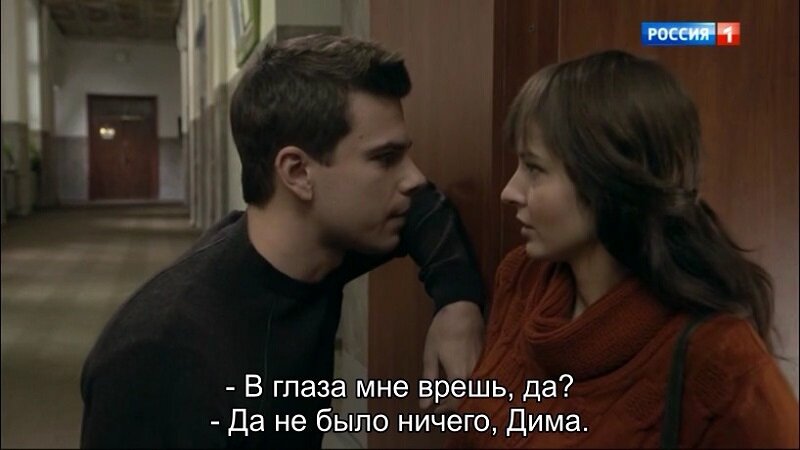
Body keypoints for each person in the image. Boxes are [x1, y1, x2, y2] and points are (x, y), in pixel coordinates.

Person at [80, 34, 486, 448]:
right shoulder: (157, 357)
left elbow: (426, 211)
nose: (414, 177)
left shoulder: (316, 248)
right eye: (385, 159)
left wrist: (458, 302)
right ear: (297, 172)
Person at [450, 50, 799, 448]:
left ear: (607, 181)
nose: (509, 192)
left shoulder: (720, 360)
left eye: (534, 168)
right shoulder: (521, 279)